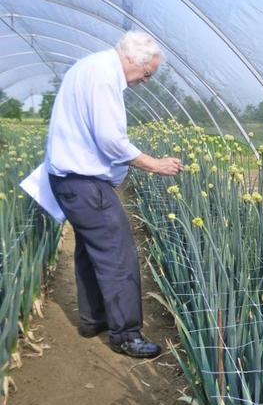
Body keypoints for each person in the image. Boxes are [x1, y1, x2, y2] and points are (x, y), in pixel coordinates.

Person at [44, 31, 183, 358]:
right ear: (134, 60)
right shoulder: (105, 77)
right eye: (148, 73)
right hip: (84, 183)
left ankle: (93, 320)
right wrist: (155, 164)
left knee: (91, 251)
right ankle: (126, 335)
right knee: (118, 255)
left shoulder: (88, 67)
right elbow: (111, 140)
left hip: (69, 182)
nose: (146, 81)